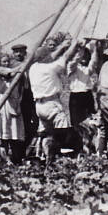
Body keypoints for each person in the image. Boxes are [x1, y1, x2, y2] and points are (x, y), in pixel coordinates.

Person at [28, 36, 81, 165]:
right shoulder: (50, 68)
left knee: (44, 132)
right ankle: (61, 157)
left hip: (39, 106)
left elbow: (52, 57)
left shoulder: (33, 68)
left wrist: (62, 46)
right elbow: (66, 56)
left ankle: (39, 155)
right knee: (62, 131)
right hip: (51, 104)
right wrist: (74, 44)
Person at [0, 53, 25, 164]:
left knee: (14, 130)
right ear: (0, 64)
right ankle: (3, 156)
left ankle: (15, 156)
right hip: (2, 104)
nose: (6, 63)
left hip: (13, 103)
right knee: (3, 129)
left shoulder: (16, 74)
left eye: (7, 61)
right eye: (4, 61)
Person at [10, 44, 39, 152]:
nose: (18, 54)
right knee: (22, 122)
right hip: (19, 96)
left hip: (30, 94)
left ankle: (30, 144)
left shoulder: (30, 64)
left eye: (21, 51)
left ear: (25, 52)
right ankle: (20, 148)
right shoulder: (12, 64)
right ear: (13, 54)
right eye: (16, 52)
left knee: (35, 121)